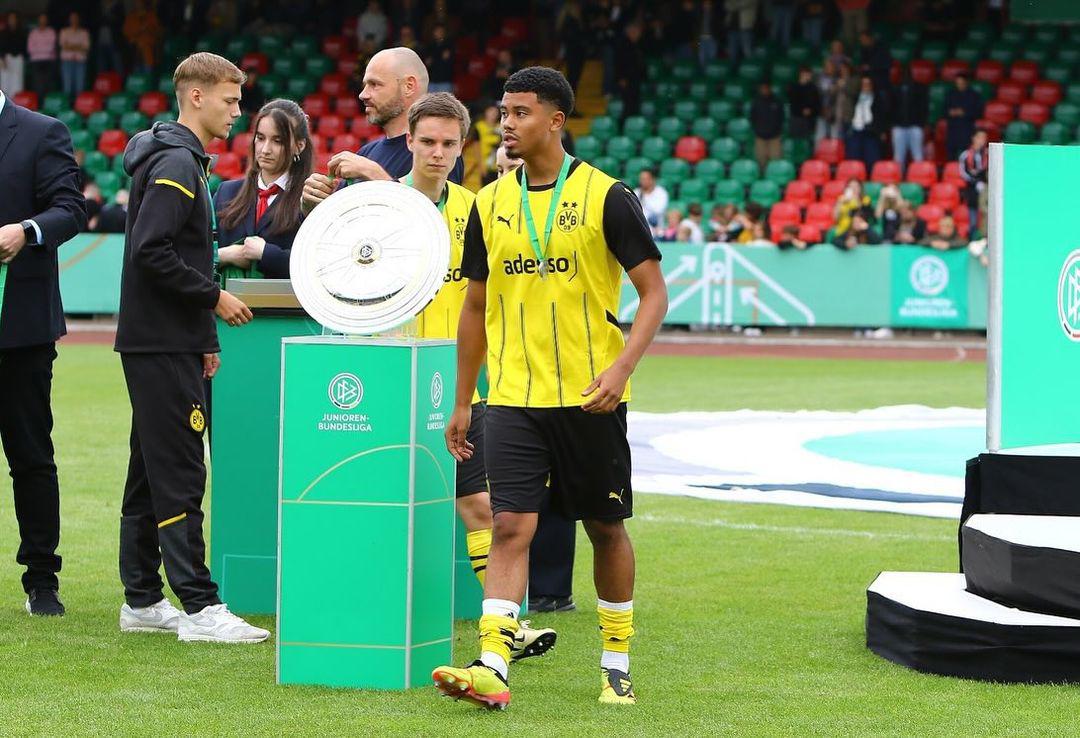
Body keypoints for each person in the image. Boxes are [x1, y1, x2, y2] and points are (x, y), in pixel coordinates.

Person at [433, 66, 667, 709]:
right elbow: (475, 308)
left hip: (590, 398)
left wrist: (620, 371)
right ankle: (492, 666)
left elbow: (653, 294)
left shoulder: (607, 196)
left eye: (520, 112)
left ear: (556, 120)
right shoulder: (488, 204)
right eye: (503, 112)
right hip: (510, 399)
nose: (505, 123)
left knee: (605, 527)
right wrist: (462, 399)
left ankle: (615, 660)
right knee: (510, 526)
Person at [114, 52, 267, 643]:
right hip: (160, 343)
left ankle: (143, 600)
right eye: (230, 100)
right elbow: (151, 253)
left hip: (166, 340)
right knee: (179, 470)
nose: (237, 111)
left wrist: (201, 336)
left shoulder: (180, 158)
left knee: (149, 472)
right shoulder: (177, 162)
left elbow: (184, 250)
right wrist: (214, 300)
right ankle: (200, 608)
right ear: (196, 96)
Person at [404, 91, 557, 659]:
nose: (438, 153)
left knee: (477, 505)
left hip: (464, 383)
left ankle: (506, 630)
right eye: (428, 142)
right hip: (395, 375)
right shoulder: (379, 209)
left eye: (449, 143)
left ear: (463, 146)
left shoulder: (480, 207)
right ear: (409, 142)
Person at [0, 81, 86, 616]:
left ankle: (41, 579)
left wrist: (25, 231)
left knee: (31, 457)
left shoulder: (40, 132)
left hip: (20, 330)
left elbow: (72, 210)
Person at [301, 47, 464, 215]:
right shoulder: (366, 153)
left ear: (408, 86)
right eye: (365, 85)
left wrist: (373, 173)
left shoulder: (439, 152)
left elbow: (434, 223)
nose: (363, 95)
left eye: (375, 84)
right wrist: (312, 203)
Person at [215, 99, 312, 279]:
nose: (265, 149)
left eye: (278, 141)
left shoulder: (310, 200)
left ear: (300, 146)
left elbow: (317, 268)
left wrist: (266, 254)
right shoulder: (225, 192)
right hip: (226, 305)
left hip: (283, 306)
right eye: (260, 138)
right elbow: (195, 256)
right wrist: (226, 255)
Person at [846, 75, 889, 171]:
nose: (865, 86)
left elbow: (882, 116)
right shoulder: (855, 98)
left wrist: (882, 130)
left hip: (871, 131)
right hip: (856, 130)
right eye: (863, 84)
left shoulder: (878, 99)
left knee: (872, 159)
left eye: (868, 84)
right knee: (854, 158)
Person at [891, 69, 928, 169]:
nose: (906, 78)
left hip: (915, 126)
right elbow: (890, 109)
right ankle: (898, 180)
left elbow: (924, 108)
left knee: (918, 155)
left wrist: (921, 124)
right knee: (898, 157)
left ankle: (919, 177)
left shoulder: (919, 88)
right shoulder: (895, 88)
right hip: (899, 127)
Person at [944, 73, 983, 160]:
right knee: (951, 154)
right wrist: (951, 112)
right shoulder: (951, 94)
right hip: (953, 128)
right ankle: (952, 171)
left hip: (967, 128)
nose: (960, 85)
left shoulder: (974, 95)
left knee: (967, 154)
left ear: (966, 83)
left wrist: (964, 113)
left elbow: (978, 112)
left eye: (962, 83)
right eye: (958, 83)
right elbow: (944, 111)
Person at [959, 129, 988, 238]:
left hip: (986, 190)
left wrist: (983, 182)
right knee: (973, 220)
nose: (982, 140)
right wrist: (975, 182)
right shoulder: (965, 155)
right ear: (974, 138)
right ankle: (972, 240)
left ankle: (986, 242)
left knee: (987, 217)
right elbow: (963, 173)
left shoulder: (988, 154)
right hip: (972, 191)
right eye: (980, 137)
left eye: (984, 138)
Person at [750, 80, 784, 171]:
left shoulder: (777, 101)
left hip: (774, 137)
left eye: (766, 88)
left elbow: (781, 117)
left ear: (770, 89)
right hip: (760, 136)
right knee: (761, 161)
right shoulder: (756, 102)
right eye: (762, 89)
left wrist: (777, 130)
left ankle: (775, 177)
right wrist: (757, 130)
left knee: (775, 160)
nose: (764, 90)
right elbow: (752, 117)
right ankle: (762, 179)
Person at [123, 0, 162, 75]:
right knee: (136, 74)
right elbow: (126, 32)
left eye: (140, 2)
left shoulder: (151, 16)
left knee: (148, 74)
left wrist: (148, 30)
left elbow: (158, 32)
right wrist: (139, 30)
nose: (138, 4)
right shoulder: (131, 16)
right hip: (134, 52)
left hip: (148, 53)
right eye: (136, 3)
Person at [58, 12, 89, 98]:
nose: (74, 20)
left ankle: (79, 108)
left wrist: (70, 45)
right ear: (69, 20)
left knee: (80, 87)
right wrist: (78, 46)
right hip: (67, 62)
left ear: (79, 19)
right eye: (72, 18)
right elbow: (63, 46)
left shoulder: (84, 32)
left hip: (80, 62)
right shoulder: (64, 32)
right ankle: (67, 108)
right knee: (67, 87)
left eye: (76, 18)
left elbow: (85, 48)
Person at [26, 14, 55, 100]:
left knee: (48, 83)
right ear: (38, 20)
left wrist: (38, 49)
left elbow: (51, 47)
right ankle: (39, 104)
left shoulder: (51, 32)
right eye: (41, 19)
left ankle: (48, 103)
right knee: (37, 83)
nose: (42, 21)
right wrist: (44, 48)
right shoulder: (33, 33)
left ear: (47, 21)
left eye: (44, 19)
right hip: (36, 61)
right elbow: (30, 48)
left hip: (48, 60)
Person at [788, 67, 820, 141]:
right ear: (801, 74)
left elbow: (817, 104)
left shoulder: (813, 88)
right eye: (807, 74)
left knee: (807, 143)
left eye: (809, 74)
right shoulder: (794, 86)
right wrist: (801, 110)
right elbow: (792, 103)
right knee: (796, 142)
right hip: (796, 119)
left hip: (809, 120)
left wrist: (811, 111)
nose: (809, 76)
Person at [634, 168, 669, 235]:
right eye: (641, 179)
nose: (643, 181)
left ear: (652, 179)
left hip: (657, 229)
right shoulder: (636, 192)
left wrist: (644, 198)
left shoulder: (661, 192)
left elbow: (659, 210)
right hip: (638, 229)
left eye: (645, 179)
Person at [0, 12, 27, 96]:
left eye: (14, 18)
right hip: (6, 58)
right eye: (10, 18)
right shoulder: (3, 32)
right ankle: (5, 100)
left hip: (18, 58)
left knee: (17, 79)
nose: (12, 20)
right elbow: (1, 46)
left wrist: (23, 56)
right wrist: (1, 58)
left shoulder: (21, 32)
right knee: (5, 79)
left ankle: (17, 99)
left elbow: (24, 46)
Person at [425, 24, 454, 93]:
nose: (439, 33)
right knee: (431, 103)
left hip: (444, 80)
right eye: (437, 31)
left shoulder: (449, 45)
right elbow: (427, 62)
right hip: (432, 80)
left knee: (444, 103)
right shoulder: (430, 46)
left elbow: (449, 61)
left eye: (441, 31)